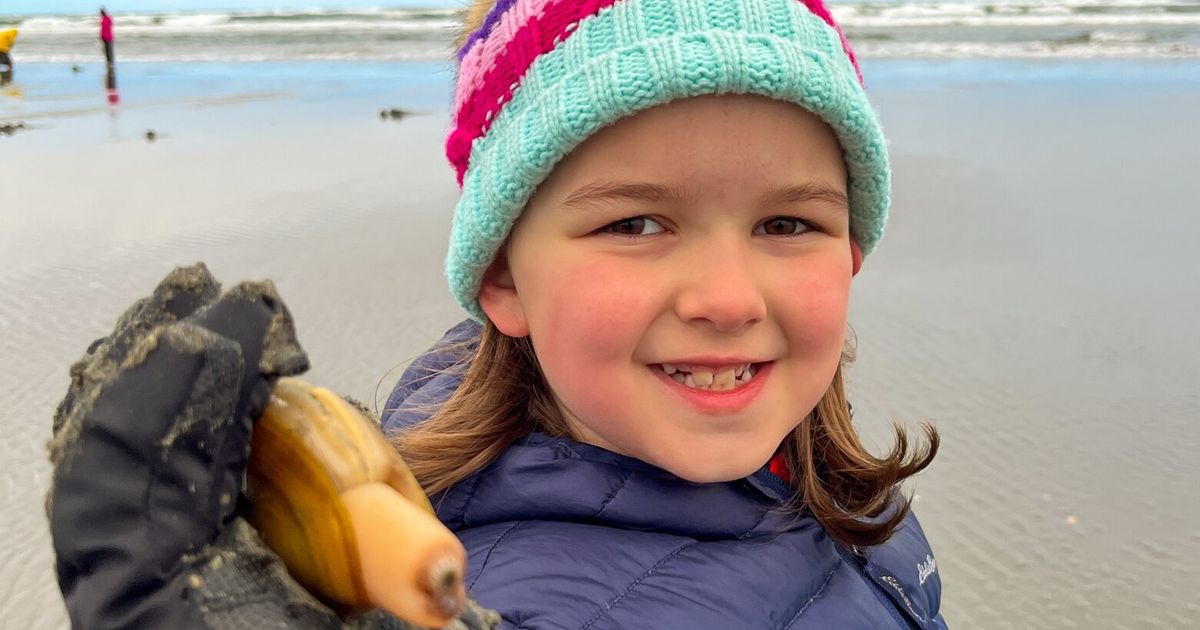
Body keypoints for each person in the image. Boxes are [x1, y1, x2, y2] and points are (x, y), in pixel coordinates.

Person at [47, 0, 946, 628]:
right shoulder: (487, 597)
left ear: (851, 250)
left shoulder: (820, 470)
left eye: (787, 224)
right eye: (636, 224)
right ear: (503, 277)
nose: (728, 299)